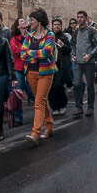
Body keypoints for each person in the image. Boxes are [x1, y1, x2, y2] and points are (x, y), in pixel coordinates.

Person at [21, 9, 58, 145]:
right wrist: (36, 53)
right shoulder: (29, 35)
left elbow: (47, 52)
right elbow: (22, 54)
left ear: (39, 22)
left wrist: (31, 53)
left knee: (39, 101)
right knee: (41, 101)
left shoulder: (50, 35)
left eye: (32, 20)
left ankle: (35, 133)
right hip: (31, 72)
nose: (29, 23)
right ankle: (49, 126)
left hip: (45, 72)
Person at [70, 10, 97, 117]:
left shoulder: (92, 31)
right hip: (78, 62)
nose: (79, 19)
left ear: (86, 18)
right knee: (77, 84)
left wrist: (90, 55)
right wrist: (73, 55)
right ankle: (78, 107)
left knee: (90, 85)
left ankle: (90, 107)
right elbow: (73, 45)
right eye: (78, 17)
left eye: (81, 17)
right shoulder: (75, 32)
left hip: (89, 62)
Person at [49, 17, 72, 115]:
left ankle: (62, 105)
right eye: (55, 24)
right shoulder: (49, 36)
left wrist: (62, 45)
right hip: (50, 65)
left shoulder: (63, 37)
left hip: (60, 66)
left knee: (58, 85)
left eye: (58, 24)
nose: (56, 26)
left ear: (61, 26)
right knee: (51, 87)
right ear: (52, 26)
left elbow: (69, 50)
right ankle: (54, 107)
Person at [8, 18, 28, 126]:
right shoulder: (14, 38)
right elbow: (15, 52)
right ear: (18, 26)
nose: (24, 22)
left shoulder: (30, 36)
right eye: (21, 21)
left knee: (34, 93)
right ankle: (17, 117)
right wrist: (26, 50)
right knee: (18, 93)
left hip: (30, 66)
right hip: (19, 68)